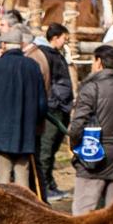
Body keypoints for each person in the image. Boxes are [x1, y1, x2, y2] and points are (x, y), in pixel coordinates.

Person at [68, 43, 113, 212]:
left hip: (92, 156)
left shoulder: (90, 89)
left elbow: (77, 125)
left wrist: (77, 148)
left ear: (99, 62)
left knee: (83, 213)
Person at [0, 25, 47, 190]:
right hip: (24, 128)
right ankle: (23, 211)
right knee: (22, 174)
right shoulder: (32, 66)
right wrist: (37, 122)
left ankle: (3, 211)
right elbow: (41, 101)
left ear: (3, 46)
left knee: (2, 175)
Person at [33, 21, 74, 199]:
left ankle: (49, 182)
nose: (65, 42)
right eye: (64, 38)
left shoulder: (56, 54)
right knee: (46, 149)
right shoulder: (45, 54)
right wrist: (55, 100)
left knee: (53, 147)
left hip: (61, 107)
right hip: (53, 108)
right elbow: (50, 81)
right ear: (55, 37)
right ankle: (44, 187)